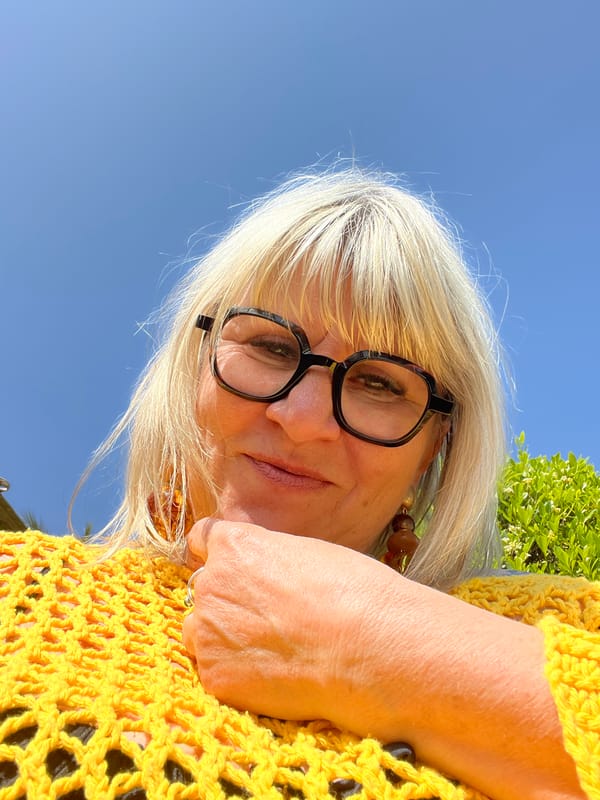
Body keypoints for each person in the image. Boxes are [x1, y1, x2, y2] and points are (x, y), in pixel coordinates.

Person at [0, 168, 597, 800]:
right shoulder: (19, 589)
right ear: (195, 370)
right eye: (273, 346)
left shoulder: (556, 621)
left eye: (381, 382)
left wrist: (373, 642)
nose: (305, 419)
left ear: (431, 451)